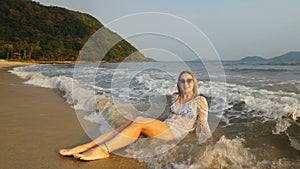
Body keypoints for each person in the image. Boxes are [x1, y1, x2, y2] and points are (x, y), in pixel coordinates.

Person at [59, 70, 212, 161]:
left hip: (175, 133)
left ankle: (103, 150)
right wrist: (154, 127)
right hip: (166, 127)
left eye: (189, 80)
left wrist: (208, 143)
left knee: (138, 122)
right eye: (182, 81)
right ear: (178, 84)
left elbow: (203, 124)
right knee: (132, 123)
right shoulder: (174, 96)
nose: (185, 83)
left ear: (194, 83)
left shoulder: (200, 100)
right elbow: (170, 117)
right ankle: (88, 145)